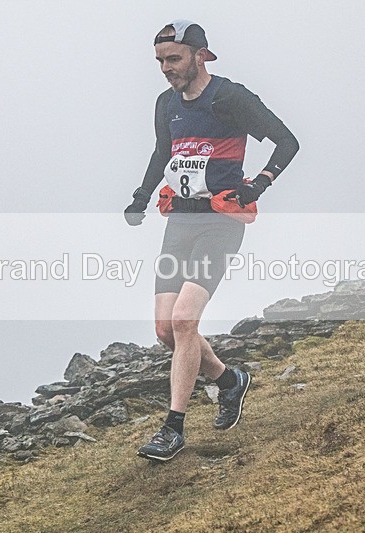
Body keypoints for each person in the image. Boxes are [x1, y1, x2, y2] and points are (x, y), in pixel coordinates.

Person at [124, 20, 298, 461]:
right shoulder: (167, 104)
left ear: (201, 55)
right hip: (179, 224)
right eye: (161, 60)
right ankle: (228, 380)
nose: (166, 68)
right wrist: (141, 196)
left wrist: (259, 184)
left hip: (220, 224)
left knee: (185, 321)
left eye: (174, 59)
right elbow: (163, 152)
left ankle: (173, 428)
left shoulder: (229, 97)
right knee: (166, 329)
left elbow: (287, 141)